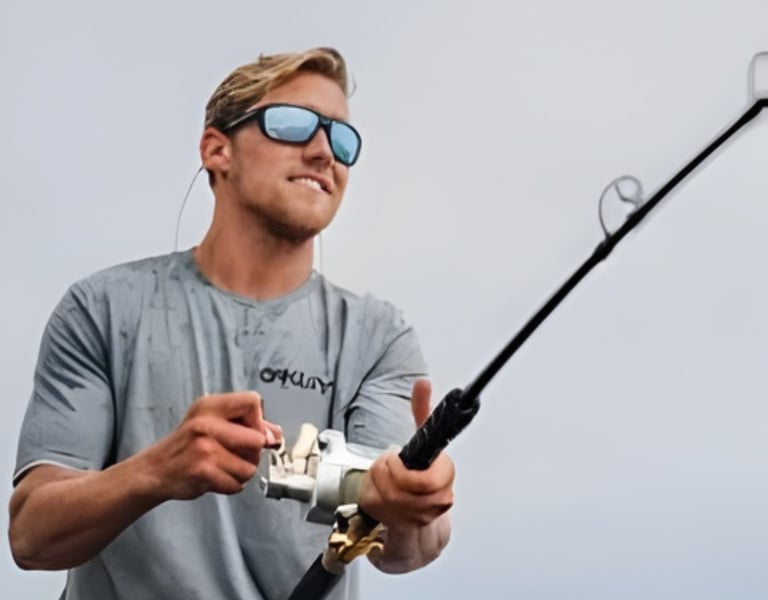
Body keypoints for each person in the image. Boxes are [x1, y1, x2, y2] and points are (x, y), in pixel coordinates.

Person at [8, 47, 454, 599]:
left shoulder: (378, 337)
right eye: (292, 125)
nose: (323, 152)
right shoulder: (102, 308)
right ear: (217, 149)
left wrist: (417, 506)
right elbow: (31, 537)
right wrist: (156, 471)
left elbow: (402, 545)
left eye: (342, 139)